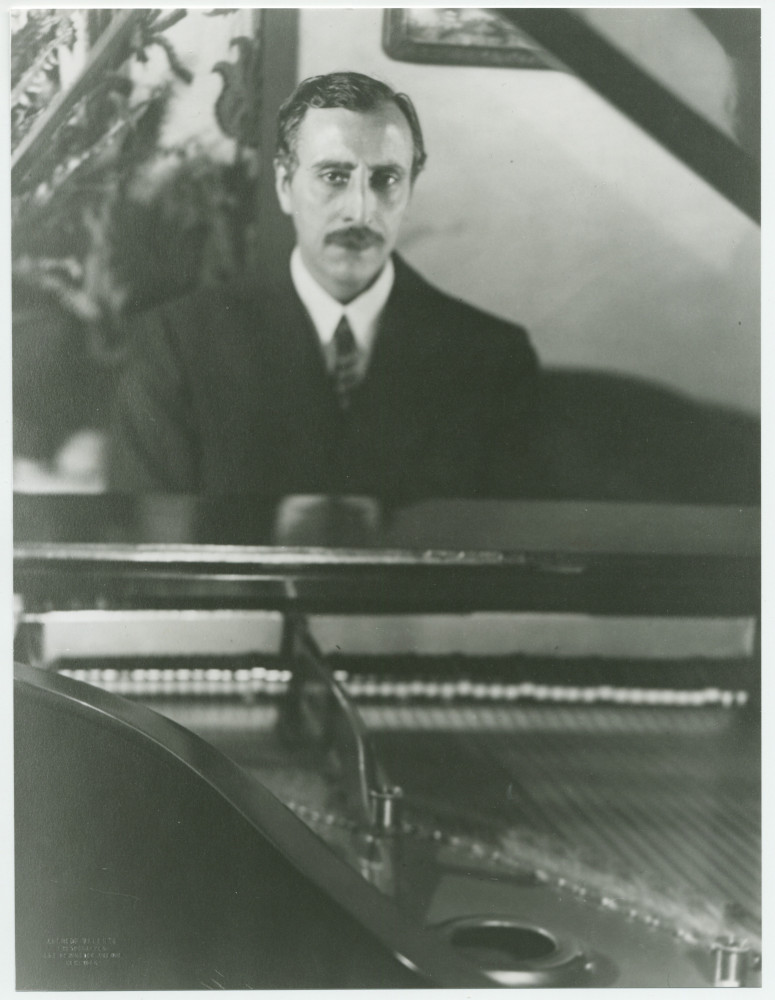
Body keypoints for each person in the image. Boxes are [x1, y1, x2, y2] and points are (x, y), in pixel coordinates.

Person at [108, 72, 538, 499]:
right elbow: (146, 544)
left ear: (410, 189)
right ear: (283, 185)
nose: (360, 211)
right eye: (334, 176)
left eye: (386, 179)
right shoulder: (178, 343)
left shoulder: (493, 358)